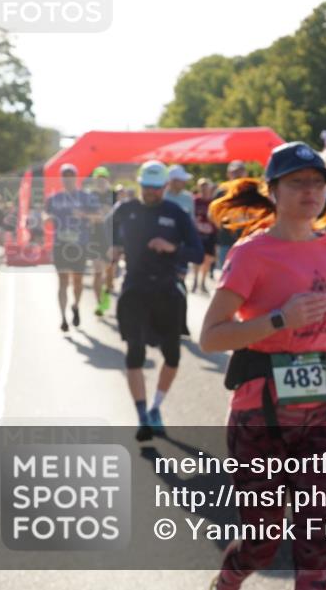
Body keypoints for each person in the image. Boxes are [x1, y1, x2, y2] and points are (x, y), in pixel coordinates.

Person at [200, 142, 326, 590]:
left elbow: (316, 298)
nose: (310, 191)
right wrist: (279, 319)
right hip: (260, 417)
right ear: (273, 190)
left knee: (315, 542)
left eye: (318, 182)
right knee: (262, 543)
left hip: (322, 411)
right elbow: (211, 336)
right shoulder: (250, 253)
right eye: (297, 183)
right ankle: (227, 581)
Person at [111, 161, 203, 441]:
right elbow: (106, 233)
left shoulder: (176, 213)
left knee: (172, 356)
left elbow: (197, 253)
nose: (150, 192)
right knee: (134, 353)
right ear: (139, 184)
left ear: (165, 186)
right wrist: (112, 248)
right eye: (146, 186)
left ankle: (155, 407)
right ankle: (142, 416)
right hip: (135, 291)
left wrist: (172, 248)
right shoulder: (125, 209)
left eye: (156, 187)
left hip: (167, 291)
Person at [45, 163, 99, 332]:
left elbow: (98, 217)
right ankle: (63, 318)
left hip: (80, 244)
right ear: (61, 179)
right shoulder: (54, 198)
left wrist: (84, 215)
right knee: (62, 281)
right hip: (60, 244)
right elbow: (45, 213)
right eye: (65, 176)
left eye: (70, 176)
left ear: (76, 178)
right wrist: (46, 218)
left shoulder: (86, 197)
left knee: (77, 280)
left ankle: (75, 306)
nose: (68, 179)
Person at [164, 164, 196, 336]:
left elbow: (191, 224)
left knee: (181, 286)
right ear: (172, 181)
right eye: (181, 180)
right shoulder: (162, 197)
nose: (184, 183)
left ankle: (181, 323)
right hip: (162, 250)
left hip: (181, 249)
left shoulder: (187, 198)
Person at [86, 166, 115, 317]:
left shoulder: (114, 194)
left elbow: (118, 215)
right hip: (95, 238)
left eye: (103, 178)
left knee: (110, 274)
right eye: (98, 178)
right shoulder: (90, 196)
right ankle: (99, 304)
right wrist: (97, 215)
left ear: (107, 179)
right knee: (98, 272)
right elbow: (86, 216)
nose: (101, 181)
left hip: (111, 238)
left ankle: (107, 293)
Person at [214, 160, 248, 270]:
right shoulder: (221, 193)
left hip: (247, 241)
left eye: (240, 171)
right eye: (234, 172)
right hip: (226, 241)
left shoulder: (252, 192)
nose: (237, 175)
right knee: (227, 274)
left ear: (245, 173)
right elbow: (213, 215)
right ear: (228, 174)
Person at [192, 178, 218, 293]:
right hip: (197, 234)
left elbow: (217, 218)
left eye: (206, 187)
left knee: (208, 259)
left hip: (210, 234)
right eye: (202, 187)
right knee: (196, 258)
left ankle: (202, 282)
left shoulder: (213, 202)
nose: (204, 189)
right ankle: (195, 281)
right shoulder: (195, 201)